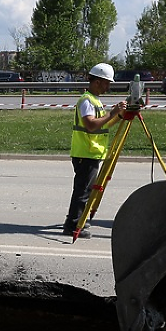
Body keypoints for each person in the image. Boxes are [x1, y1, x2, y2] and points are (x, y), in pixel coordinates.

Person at [62, 63, 127, 239]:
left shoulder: (95, 100)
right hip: (85, 152)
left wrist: (119, 115)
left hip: (91, 152)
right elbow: (91, 125)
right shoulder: (87, 100)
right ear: (98, 81)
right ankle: (74, 224)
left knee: (85, 190)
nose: (108, 87)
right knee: (83, 191)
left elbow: (103, 124)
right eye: (107, 83)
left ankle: (75, 221)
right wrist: (112, 113)